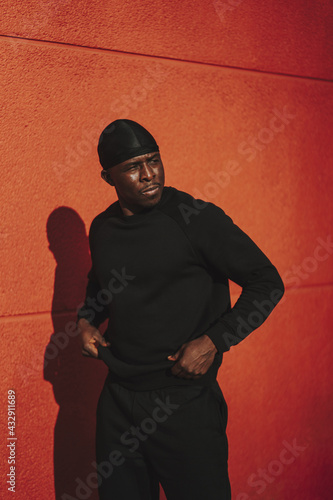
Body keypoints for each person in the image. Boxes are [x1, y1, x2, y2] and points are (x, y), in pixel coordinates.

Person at [77, 119, 284, 500]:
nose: (149, 174)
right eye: (134, 167)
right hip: (118, 401)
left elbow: (267, 282)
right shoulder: (102, 227)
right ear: (108, 177)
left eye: (153, 160)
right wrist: (86, 320)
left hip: (183, 402)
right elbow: (101, 284)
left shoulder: (196, 218)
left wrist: (214, 341)